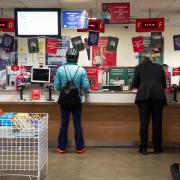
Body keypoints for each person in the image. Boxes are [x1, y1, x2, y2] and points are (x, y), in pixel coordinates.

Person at [54, 48, 90, 154]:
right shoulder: (81, 70)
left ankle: (61, 147)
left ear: (66, 57)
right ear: (77, 58)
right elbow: (86, 87)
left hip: (64, 101)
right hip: (77, 101)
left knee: (64, 124)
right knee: (77, 124)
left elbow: (56, 87)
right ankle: (79, 148)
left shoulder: (60, 69)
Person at [132, 54, 167, 155]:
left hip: (143, 97)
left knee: (144, 122)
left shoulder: (138, 67)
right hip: (158, 97)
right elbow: (164, 84)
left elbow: (135, 84)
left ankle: (143, 148)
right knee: (157, 123)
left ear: (143, 59)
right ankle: (157, 148)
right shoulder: (159, 67)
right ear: (152, 60)